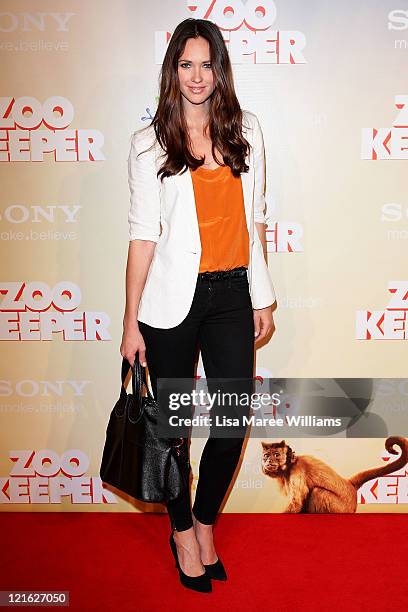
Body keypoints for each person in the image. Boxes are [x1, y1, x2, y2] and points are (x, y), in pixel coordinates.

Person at [120, 18, 276, 593]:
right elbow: (142, 235)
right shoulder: (148, 142)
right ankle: (182, 531)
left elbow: (255, 220)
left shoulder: (247, 130)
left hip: (234, 292)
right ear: (172, 71)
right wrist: (130, 320)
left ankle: (206, 521)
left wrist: (261, 294)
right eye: (185, 64)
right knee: (173, 429)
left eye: (206, 64)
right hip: (169, 303)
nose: (196, 75)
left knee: (232, 421)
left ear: (220, 69)